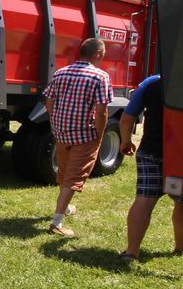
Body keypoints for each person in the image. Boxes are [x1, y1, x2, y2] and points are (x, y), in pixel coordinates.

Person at [43, 38, 112, 236]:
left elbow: (49, 102)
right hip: (84, 135)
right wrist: (99, 135)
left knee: (64, 173)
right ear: (97, 55)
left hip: (62, 133)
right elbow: (101, 112)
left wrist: (56, 123)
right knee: (73, 178)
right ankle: (57, 223)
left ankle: (65, 208)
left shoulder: (61, 72)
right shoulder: (100, 77)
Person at [119, 74, 183, 261]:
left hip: (151, 152)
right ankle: (180, 248)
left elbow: (127, 117)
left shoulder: (152, 82)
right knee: (181, 202)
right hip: (179, 155)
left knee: (144, 200)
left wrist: (125, 141)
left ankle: (131, 252)